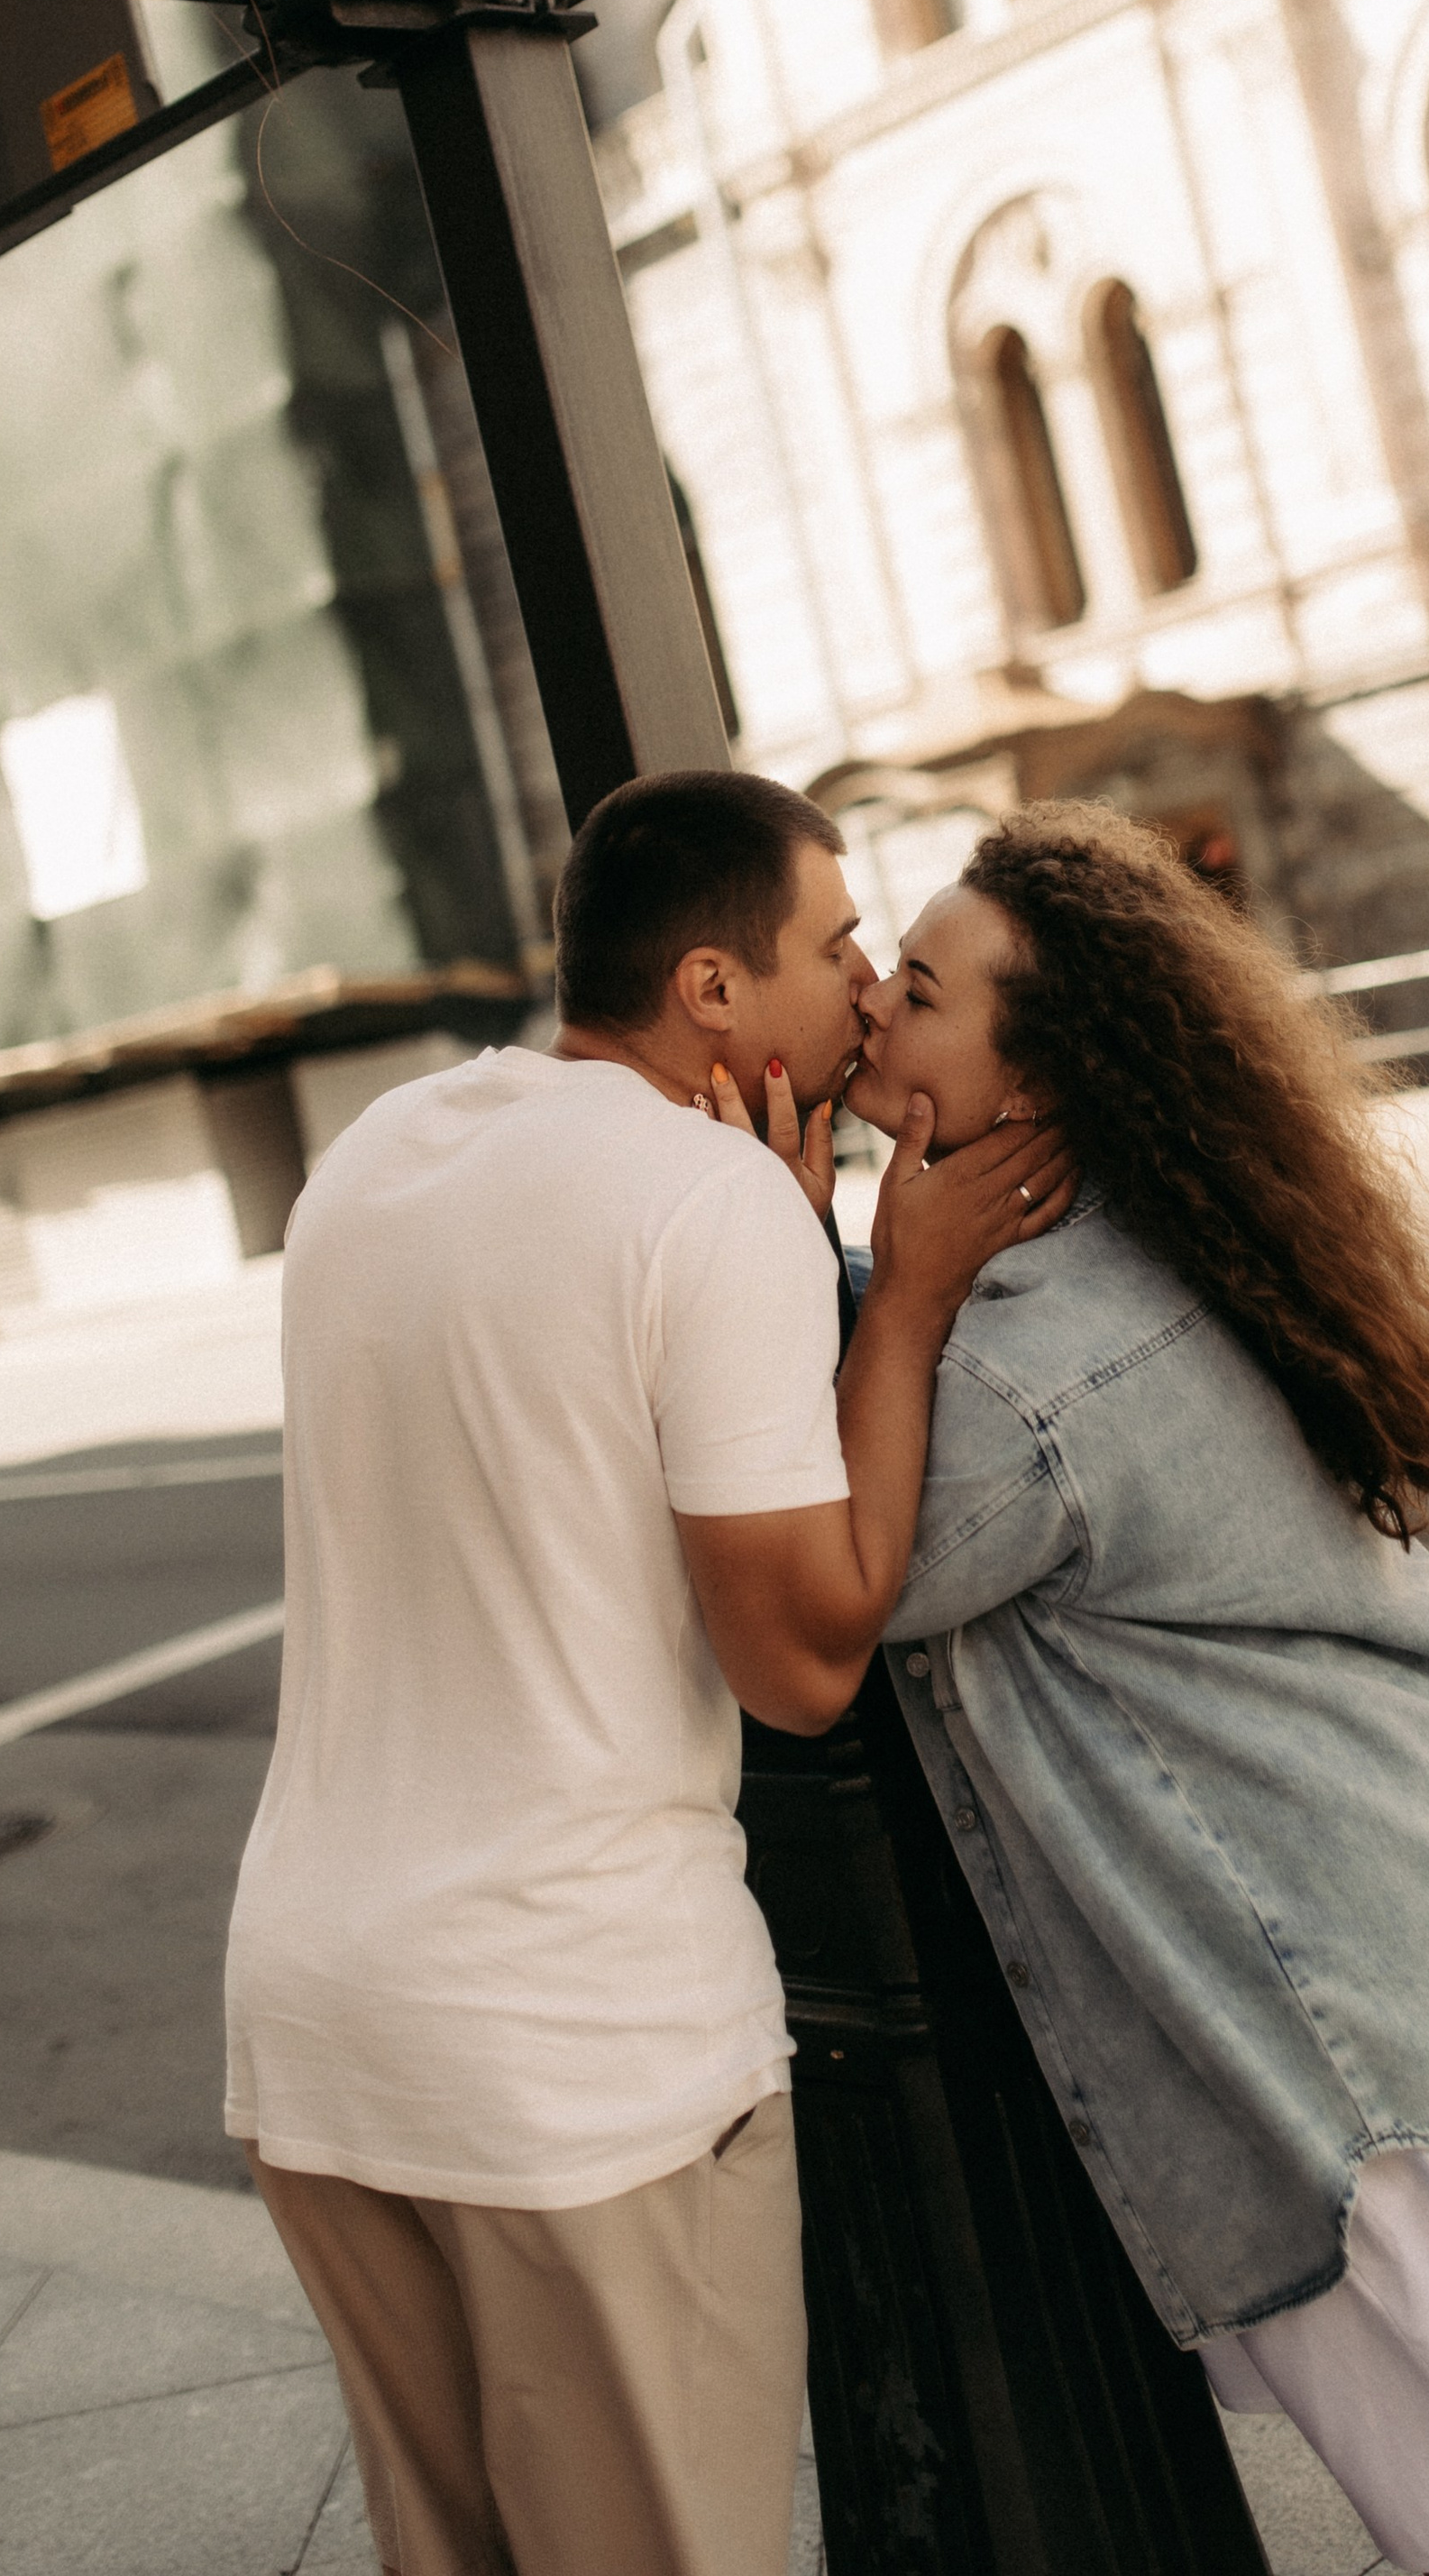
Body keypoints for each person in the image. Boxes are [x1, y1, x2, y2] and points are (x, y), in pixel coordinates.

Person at [838, 800, 1429, 2576]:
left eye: (925, 989)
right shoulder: (1165, 1239)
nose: (877, 1000)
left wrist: (889, 1288)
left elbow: (846, 1579)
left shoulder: (1030, 1373)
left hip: (1352, 2027)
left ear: (1040, 1083)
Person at [224, 769, 1068, 2576]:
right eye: (834, 943)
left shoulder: (377, 1152)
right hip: (572, 2053)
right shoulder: (711, 1207)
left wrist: (762, 1227)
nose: (861, 985)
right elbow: (798, 1663)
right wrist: (893, 1294)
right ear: (708, 989)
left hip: (315, 2026)